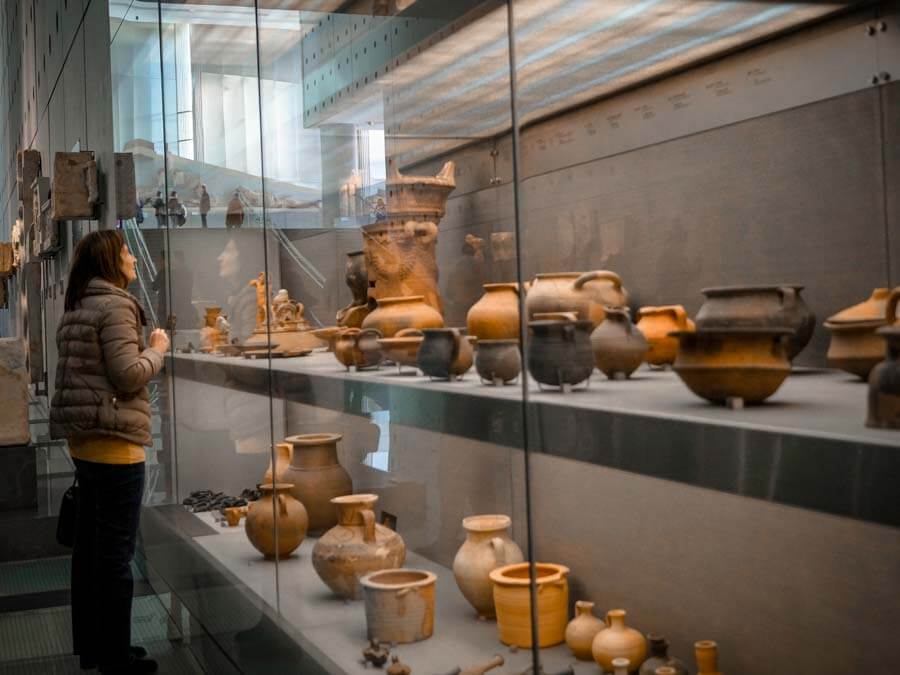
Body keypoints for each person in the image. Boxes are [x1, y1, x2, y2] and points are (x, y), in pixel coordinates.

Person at [50, 230, 169, 675]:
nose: (133, 257)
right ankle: (117, 659)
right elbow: (127, 375)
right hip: (115, 448)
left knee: (90, 555)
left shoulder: (78, 304)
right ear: (109, 261)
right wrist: (157, 350)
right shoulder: (117, 305)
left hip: (85, 445)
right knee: (115, 557)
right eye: (125, 251)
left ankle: (97, 650)